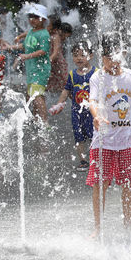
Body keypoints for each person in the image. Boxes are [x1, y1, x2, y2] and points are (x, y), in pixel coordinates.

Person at [87, 33, 131, 235]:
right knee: (101, 184)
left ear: (123, 54)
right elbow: (93, 101)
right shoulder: (97, 78)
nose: (113, 62)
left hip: (126, 139)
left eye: (117, 56)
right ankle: (98, 228)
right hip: (103, 141)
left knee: (128, 183)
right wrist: (97, 117)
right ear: (102, 57)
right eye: (109, 58)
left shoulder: (130, 76)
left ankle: (127, 224)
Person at [50, 41, 97, 171]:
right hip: (77, 112)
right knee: (79, 136)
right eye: (76, 55)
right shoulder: (72, 75)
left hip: (93, 112)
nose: (79, 58)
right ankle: (83, 160)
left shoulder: (96, 73)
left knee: (94, 135)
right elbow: (66, 91)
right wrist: (59, 103)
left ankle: (96, 160)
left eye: (83, 55)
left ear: (91, 55)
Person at [3, 4, 51, 131]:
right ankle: (37, 120)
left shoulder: (44, 34)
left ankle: (45, 123)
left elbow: (43, 51)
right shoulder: (31, 31)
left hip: (40, 69)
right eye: (30, 16)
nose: (32, 19)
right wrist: (11, 47)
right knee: (32, 96)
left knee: (37, 95)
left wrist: (27, 56)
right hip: (32, 69)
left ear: (43, 19)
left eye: (36, 17)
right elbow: (25, 45)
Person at [46, 18, 73, 92]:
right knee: (65, 84)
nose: (64, 39)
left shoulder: (54, 36)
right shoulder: (56, 36)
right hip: (56, 64)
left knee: (64, 85)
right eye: (65, 36)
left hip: (56, 63)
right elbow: (55, 54)